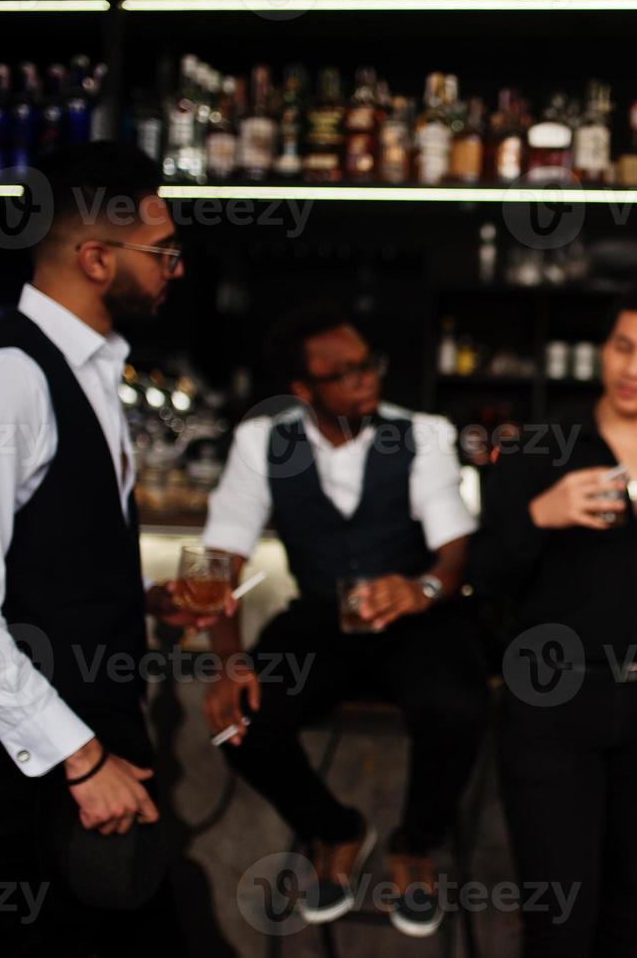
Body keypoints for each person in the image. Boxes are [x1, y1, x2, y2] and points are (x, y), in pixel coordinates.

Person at [0, 141, 222, 956]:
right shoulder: (6, 380)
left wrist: (136, 600)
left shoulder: (92, 368)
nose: (175, 268)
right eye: (162, 251)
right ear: (93, 256)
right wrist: (79, 761)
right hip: (46, 763)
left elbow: (54, 559)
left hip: (94, 741)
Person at [199, 303, 485, 936]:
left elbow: (453, 553)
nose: (367, 380)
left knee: (458, 707)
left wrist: (424, 587)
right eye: (346, 373)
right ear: (304, 389)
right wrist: (228, 662)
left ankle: (414, 845)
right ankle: (338, 830)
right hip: (320, 622)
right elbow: (222, 559)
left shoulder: (423, 432)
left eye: (369, 365)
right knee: (238, 720)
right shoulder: (263, 440)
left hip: (415, 620)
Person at [473, 285, 637, 957]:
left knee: (635, 922)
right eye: (622, 348)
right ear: (603, 352)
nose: (633, 368)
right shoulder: (539, 450)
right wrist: (536, 518)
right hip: (550, 710)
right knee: (558, 926)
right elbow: (482, 576)